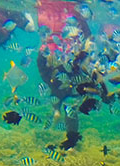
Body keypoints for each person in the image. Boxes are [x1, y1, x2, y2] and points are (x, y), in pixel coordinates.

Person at [35, 1, 92, 143]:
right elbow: (88, 34)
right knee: (70, 100)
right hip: (65, 57)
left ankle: (56, 110)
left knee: (54, 85)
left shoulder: (41, 6)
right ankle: (71, 142)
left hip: (43, 57)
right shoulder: (74, 9)